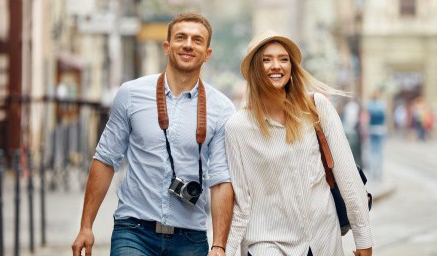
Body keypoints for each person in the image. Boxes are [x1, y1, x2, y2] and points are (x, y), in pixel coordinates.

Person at [71, 12, 235, 256]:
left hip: (190, 237)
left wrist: (219, 245)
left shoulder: (222, 108)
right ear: (167, 47)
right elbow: (105, 159)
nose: (188, 44)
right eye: (181, 37)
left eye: (197, 40)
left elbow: (221, 180)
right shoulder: (130, 94)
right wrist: (86, 226)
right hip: (134, 231)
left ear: (207, 54)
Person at [224, 30, 373, 256]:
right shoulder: (237, 127)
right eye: (267, 60)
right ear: (255, 69)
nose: (276, 65)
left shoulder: (316, 108)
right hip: (267, 243)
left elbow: (347, 176)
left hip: (323, 239)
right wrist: (225, 249)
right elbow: (241, 202)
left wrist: (363, 239)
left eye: (283, 59)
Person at [367, 91, 386, 181]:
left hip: (372, 129)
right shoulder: (381, 106)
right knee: (379, 152)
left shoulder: (369, 106)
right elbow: (384, 118)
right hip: (380, 129)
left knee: (372, 151)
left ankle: (373, 171)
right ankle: (379, 172)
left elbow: (368, 118)